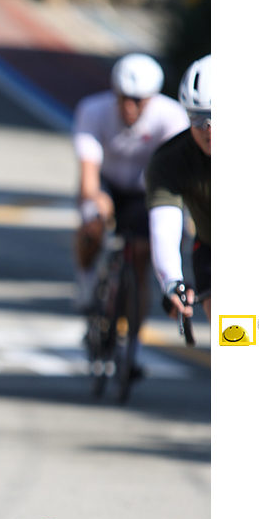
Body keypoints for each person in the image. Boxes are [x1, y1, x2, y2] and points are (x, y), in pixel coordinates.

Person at [71, 54, 188, 380]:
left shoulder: (171, 117)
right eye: (124, 98)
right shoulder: (93, 110)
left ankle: (132, 349)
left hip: (145, 190)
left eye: (139, 100)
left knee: (140, 258)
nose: (130, 107)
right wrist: (96, 201)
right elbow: (88, 176)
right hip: (106, 183)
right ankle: (87, 286)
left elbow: (175, 177)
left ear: (152, 98)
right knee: (92, 223)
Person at [147, 56, 211, 322]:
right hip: (212, 248)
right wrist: (172, 281)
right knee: (234, 332)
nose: (209, 129)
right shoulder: (170, 160)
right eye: (199, 118)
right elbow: (165, 227)